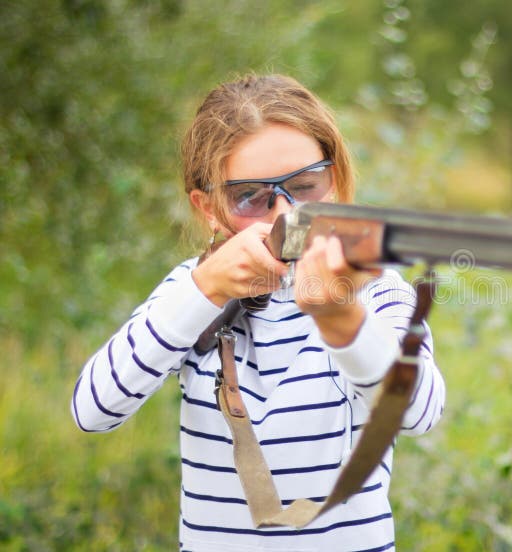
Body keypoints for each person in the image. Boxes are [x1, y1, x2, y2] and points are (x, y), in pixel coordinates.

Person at [71, 74, 445, 552]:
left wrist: (340, 318)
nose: (285, 213)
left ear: (336, 183)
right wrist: (204, 289)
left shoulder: (375, 289)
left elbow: (418, 413)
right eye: (250, 196)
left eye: (305, 186)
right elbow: (93, 410)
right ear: (208, 208)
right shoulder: (193, 290)